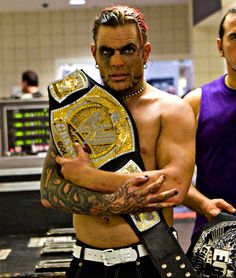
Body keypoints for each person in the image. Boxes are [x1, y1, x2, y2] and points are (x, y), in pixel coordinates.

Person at [40, 5, 195, 277]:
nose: (117, 62)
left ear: (145, 52)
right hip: (85, 263)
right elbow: (50, 190)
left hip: (148, 262)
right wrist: (114, 203)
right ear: (94, 53)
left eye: (127, 50)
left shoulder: (170, 109)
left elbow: (174, 186)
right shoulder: (75, 110)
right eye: (107, 51)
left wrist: (87, 177)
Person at [183, 8, 236, 238]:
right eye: (234, 37)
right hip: (213, 240)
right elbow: (175, 178)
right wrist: (204, 204)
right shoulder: (196, 103)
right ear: (219, 46)